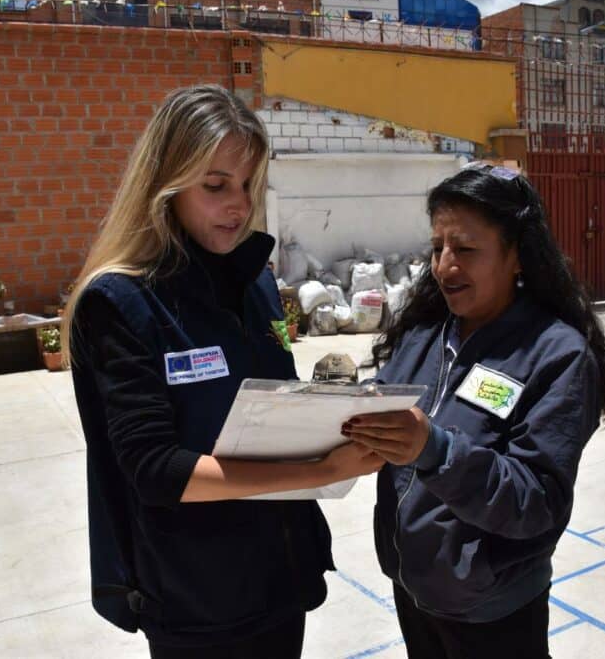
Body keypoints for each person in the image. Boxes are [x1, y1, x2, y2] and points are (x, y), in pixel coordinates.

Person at [61, 85, 383, 658]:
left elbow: (271, 404)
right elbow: (156, 470)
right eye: (215, 185)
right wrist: (317, 469)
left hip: (279, 577)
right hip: (198, 600)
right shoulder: (122, 302)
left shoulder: (254, 283)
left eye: (247, 185)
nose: (237, 204)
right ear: (167, 180)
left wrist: (340, 416)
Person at [342, 162, 605, 658]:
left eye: (465, 249)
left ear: (517, 255)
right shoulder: (424, 336)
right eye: (437, 248)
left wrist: (435, 450)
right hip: (414, 589)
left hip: (493, 611)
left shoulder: (556, 355)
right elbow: (388, 404)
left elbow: (537, 501)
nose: (443, 266)